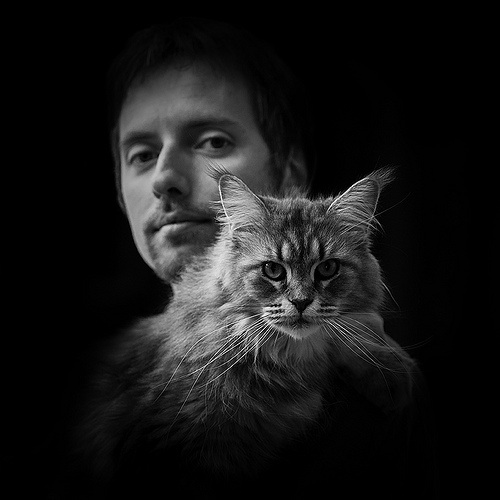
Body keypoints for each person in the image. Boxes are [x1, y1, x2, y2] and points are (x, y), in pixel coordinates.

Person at [55, 17, 439, 498]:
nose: (165, 179)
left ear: (292, 173)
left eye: (213, 141)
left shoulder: (373, 403)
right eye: (141, 154)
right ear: (116, 190)